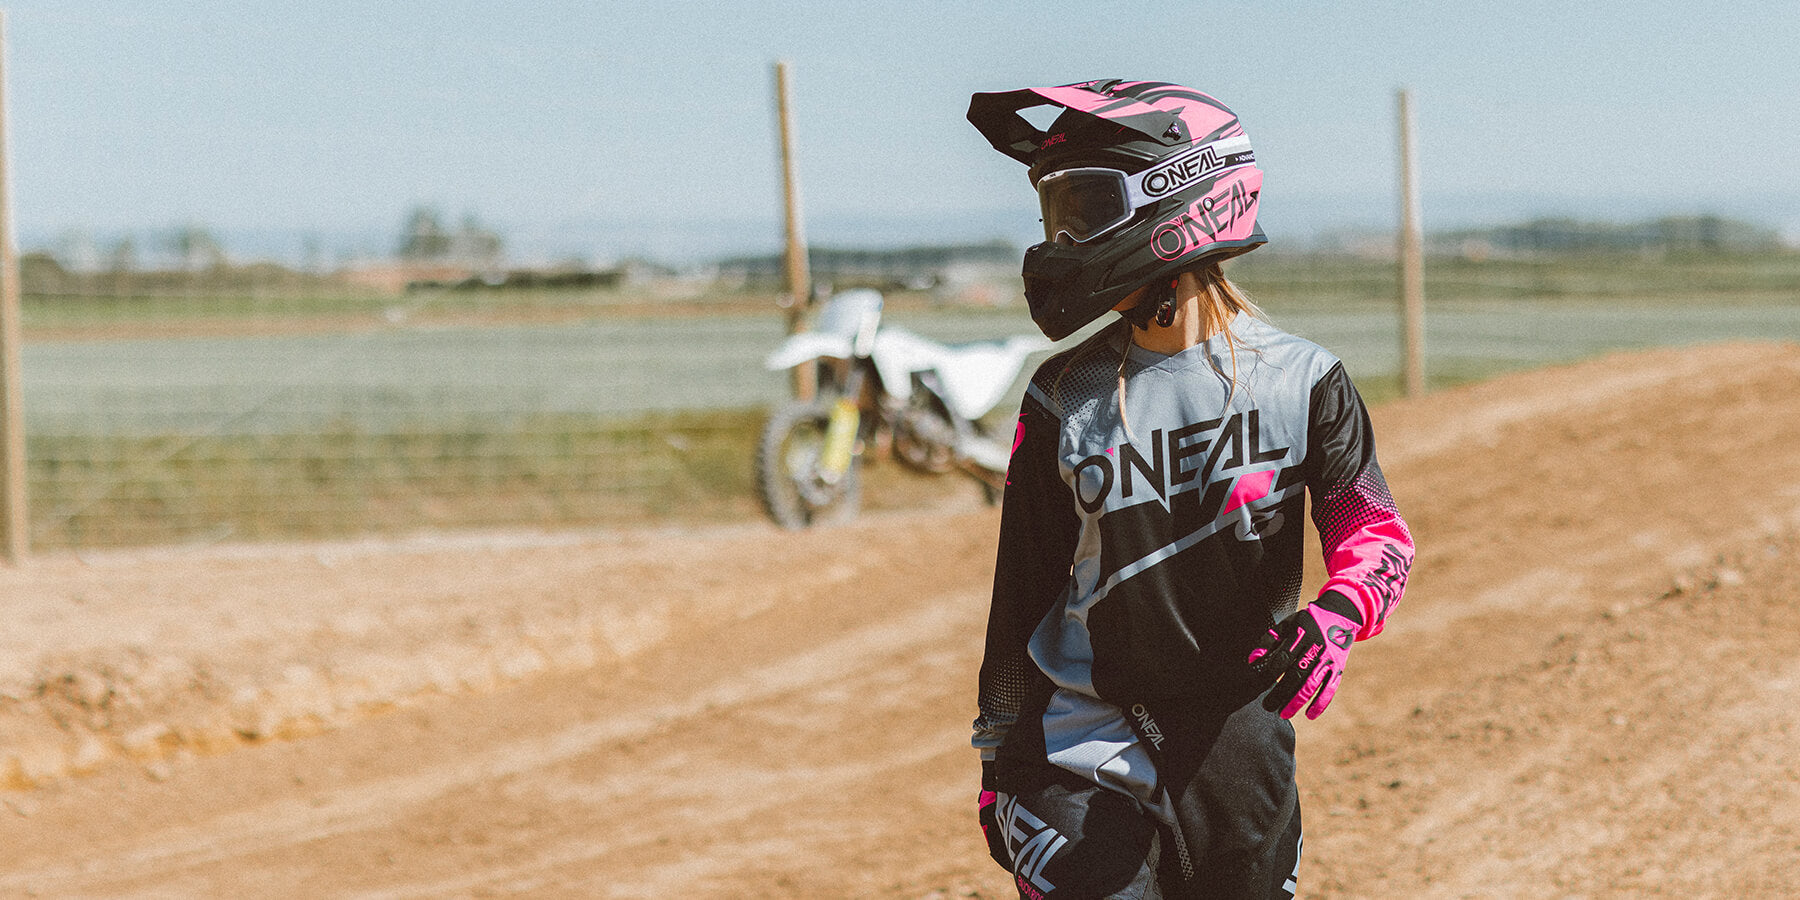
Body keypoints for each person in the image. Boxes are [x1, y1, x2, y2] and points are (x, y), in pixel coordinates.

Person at [965, 80, 1414, 899]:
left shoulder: (1304, 381)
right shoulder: (1064, 394)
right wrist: (1000, 755)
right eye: (1054, 214)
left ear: (1188, 197)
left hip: (1235, 737)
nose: (1064, 239)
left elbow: (1376, 532)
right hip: (1077, 736)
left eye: (1088, 208)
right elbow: (1021, 589)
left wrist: (1341, 611)